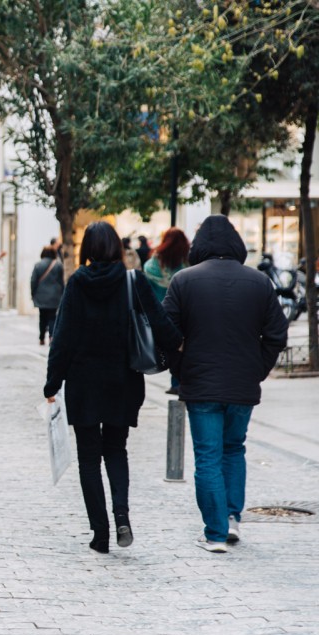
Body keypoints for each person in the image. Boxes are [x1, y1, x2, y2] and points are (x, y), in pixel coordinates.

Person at [44, 221, 182, 554]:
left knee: (89, 458)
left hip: (84, 383)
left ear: (87, 249)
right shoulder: (134, 280)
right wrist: (182, 349)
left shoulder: (77, 283)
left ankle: (100, 533)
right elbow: (161, 324)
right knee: (117, 450)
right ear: (117, 248)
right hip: (123, 381)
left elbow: (63, 338)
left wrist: (52, 382)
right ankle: (122, 515)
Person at [162, 215, 288, 553]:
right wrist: (257, 369)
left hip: (200, 382)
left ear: (199, 246)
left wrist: (181, 368)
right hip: (242, 384)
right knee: (234, 448)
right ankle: (231, 518)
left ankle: (215, 533)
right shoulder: (259, 282)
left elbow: (166, 332)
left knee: (207, 456)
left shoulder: (184, 280)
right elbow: (277, 334)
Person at [144, 228, 190, 394]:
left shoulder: (155, 261)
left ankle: (175, 382)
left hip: (160, 312)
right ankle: (179, 381)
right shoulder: (187, 261)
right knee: (183, 347)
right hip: (183, 310)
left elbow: (147, 283)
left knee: (170, 346)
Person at [31, 245, 64, 345]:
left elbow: (33, 281)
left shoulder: (38, 265)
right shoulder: (58, 265)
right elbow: (61, 282)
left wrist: (33, 293)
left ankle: (41, 338)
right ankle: (51, 337)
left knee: (42, 317)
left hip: (41, 296)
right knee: (52, 317)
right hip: (55, 296)